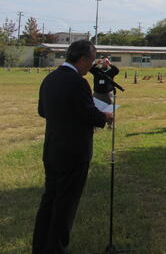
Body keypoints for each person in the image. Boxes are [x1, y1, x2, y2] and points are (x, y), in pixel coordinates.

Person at [32, 39, 113, 254]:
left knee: (49, 200)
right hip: (74, 152)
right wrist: (105, 116)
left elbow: (42, 111)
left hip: (52, 149)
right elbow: (89, 113)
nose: (91, 66)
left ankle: (40, 247)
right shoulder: (78, 82)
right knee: (65, 206)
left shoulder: (50, 78)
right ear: (83, 59)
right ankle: (56, 248)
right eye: (91, 61)